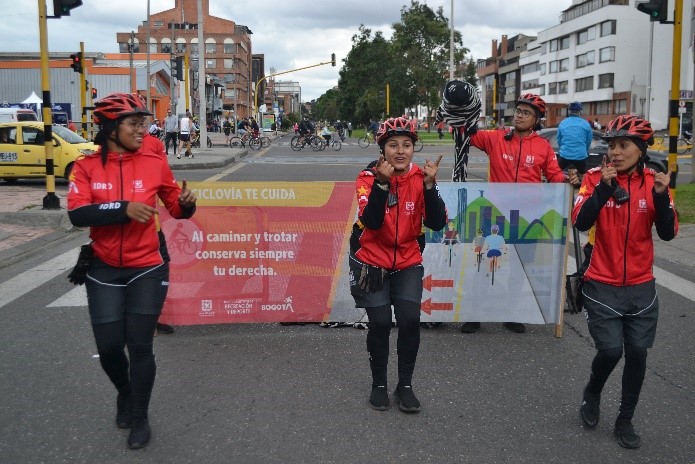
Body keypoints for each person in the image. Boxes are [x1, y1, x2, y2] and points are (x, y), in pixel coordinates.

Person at [66, 92, 197, 450]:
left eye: (144, 122)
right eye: (134, 123)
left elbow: (175, 206)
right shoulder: (86, 166)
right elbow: (78, 215)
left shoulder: (153, 162)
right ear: (110, 128)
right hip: (103, 267)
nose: (144, 129)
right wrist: (122, 208)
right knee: (109, 348)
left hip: (147, 268)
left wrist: (187, 204)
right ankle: (125, 391)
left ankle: (140, 415)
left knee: (140, 346)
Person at [572, 115, 677, 449]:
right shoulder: (593, 178)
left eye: (623, 146)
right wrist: (603, 188)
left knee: (637, 353)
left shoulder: (654, 182)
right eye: (612, 146)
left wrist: (661, 197)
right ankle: (592, 392)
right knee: (610, 349)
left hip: (641, 285)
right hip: (601, 282)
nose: (615, 152)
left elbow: (668, 233)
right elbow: (581, 221)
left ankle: (625, 419)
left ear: (641, 149)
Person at [349, 116, 447, 413]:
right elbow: (373, 221)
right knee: (379, 324)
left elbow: (437, 222)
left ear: (414, 148)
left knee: (409, 321)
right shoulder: (367, 178)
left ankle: (405, 385)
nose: (400, 151)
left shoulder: (420, 177)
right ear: (383, 149)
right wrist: (381, 183)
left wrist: (430, 187)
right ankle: (379, 384)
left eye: (407, 145)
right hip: (371, 260)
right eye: (393, 145)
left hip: (407, 260)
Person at [459, 92, 578, 334]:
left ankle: (510, 313)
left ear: (536, 120)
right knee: (484, 265)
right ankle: (474, 315)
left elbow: (555, 175)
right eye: (518, 111)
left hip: (526, 218)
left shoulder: (543, 147)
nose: (520, 116)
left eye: (526, 113)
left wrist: (568, 179)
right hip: (494, 216)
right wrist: (465, 120)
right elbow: (467, 136)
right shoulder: (497, 138)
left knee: (518, 269)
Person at [557, 101, 592, 179]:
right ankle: (583, 188)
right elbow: (588, 141)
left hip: (565, 155)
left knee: (557, 172)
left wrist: (563, 148)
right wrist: (584, 150)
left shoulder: (563, 123)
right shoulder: (586, 124)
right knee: (583, 175)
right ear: (580, 112)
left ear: (569, 111)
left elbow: (559, 140)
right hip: (580, 155)